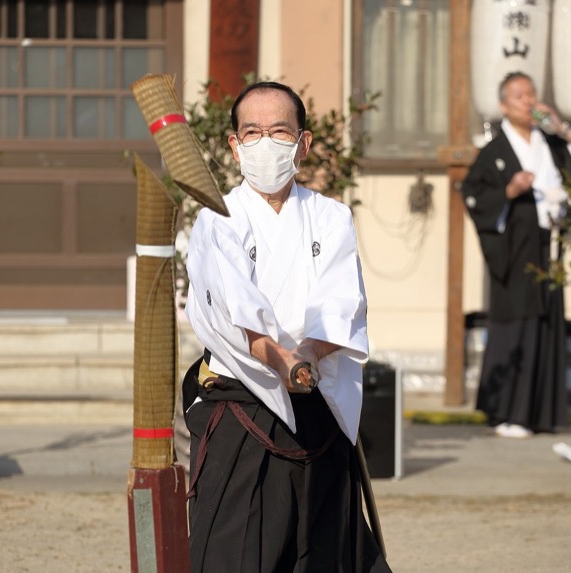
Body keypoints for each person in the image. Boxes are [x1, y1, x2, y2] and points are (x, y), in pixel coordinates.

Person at [181, 81, 391, 572]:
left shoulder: (331, 217)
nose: (265, 143)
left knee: (325, 555)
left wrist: (308, 356)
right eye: (251, 132)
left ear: (303, 143)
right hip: (241, 405)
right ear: (234, 145)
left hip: (316, 400)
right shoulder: (216, 220)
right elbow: (235, 309)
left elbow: (340, 303)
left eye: (279, 131)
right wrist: (278, 357)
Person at [461, 71, 571, 439]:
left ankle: (541, 415)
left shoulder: (549, 143)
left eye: (531, 94)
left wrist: (561, 127)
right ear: (504, 106)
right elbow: (473, 195)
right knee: (516, 326)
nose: (528, 102)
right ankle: (508, 412)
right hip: (514, 249)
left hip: (547, 244)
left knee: (546, 324)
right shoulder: (494, 152)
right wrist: (508, 191)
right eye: (519, 96)